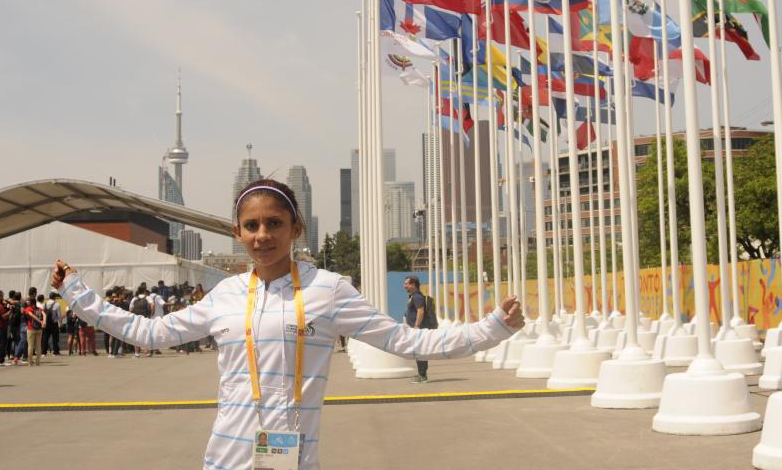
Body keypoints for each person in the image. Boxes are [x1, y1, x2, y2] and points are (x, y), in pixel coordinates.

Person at [52, 178, 524, 470]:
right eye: (251, 226)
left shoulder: (330, 289)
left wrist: (493, 328)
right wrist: (78, 293)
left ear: (296, 228)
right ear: (237, 232)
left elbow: (406, 340)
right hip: (225, 460)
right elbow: (148, 334)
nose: (263, 236)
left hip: (292, 460)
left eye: (274, 224)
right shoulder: (225, 295)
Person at [403, 276, 431, 383]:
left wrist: (416, 326)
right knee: (418, 352)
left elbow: (421, 311)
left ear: (413, 285)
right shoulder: (412, 296)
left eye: (407, 284)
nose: (404, 286)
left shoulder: (417, 297)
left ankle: (423, 376)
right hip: (416, 329)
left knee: (420, 352)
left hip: (419, 329)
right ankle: (421, 374)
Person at [24, 295, 46, 366]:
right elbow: (44, 314)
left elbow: (31, 315)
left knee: (30, 346)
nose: (27, 302)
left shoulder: (28, 308)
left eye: (28, 301)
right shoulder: (39, 309)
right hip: (39, 329)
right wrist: (43, 322)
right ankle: (38, 362)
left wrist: (40, 321)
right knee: (38, 345)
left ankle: (30, 362)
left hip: (31, 328)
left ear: (30, 302)